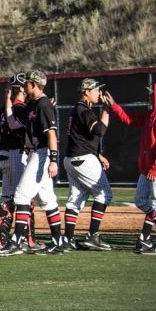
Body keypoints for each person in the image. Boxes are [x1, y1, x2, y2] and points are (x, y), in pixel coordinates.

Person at [108, 83, 156, 255]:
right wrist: (114, 106)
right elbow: (130, 120)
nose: (150, 97)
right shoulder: (151, 115)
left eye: (153, 95)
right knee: (140, 200)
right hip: (147, 168)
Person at [8, 70, 65, 255]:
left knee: (21, 196)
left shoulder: (43, 104)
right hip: (35, 152)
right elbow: (16, 124)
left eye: (28, 83)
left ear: (35, 84)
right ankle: (58, 242)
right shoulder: (33, 104)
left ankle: (16, 242)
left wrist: (53, 160)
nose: (25, 86)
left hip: (42, 153)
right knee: (48, 200)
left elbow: (51, 134)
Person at [62, 79, 114, 251]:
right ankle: (93, 235)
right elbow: (100, 130)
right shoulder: (84, 110)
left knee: (75, 200)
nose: (99, 92)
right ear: (86, 92)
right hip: (82, 159)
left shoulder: (78, 109)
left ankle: (68, 239)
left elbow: (80, 138)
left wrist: (98, 155)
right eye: (96, 90)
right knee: (104, 194)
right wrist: (107, 109)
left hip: (72, 159)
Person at [0, 73, 31, 254]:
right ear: (22, 89)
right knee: (22, 198)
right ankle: (25, 239)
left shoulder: (2, 109)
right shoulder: (23, 109)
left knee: (6, 197)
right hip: (16, 154)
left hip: (2, 154)